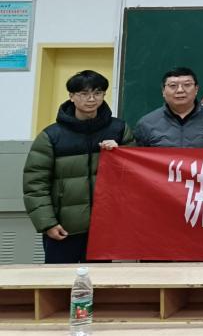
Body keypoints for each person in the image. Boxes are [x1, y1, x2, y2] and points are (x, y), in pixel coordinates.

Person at [22, 70, 133, 263]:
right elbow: (35, 184)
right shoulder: (51, 136)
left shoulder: (119, 130)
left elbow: (136, 173)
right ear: (71, 96)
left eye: (97, 93)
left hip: (104, 227)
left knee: (100, 280)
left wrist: (121, 152)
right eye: (84, 93)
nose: (91, 99)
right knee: (60, 280)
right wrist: (47, 223)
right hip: (64, 228)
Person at [135, 67, 203, 148]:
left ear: (196, 89)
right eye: (173, 86)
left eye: (187, 85)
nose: (180, 90)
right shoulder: (146, 123)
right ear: (163, 91)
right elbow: (138, 160)